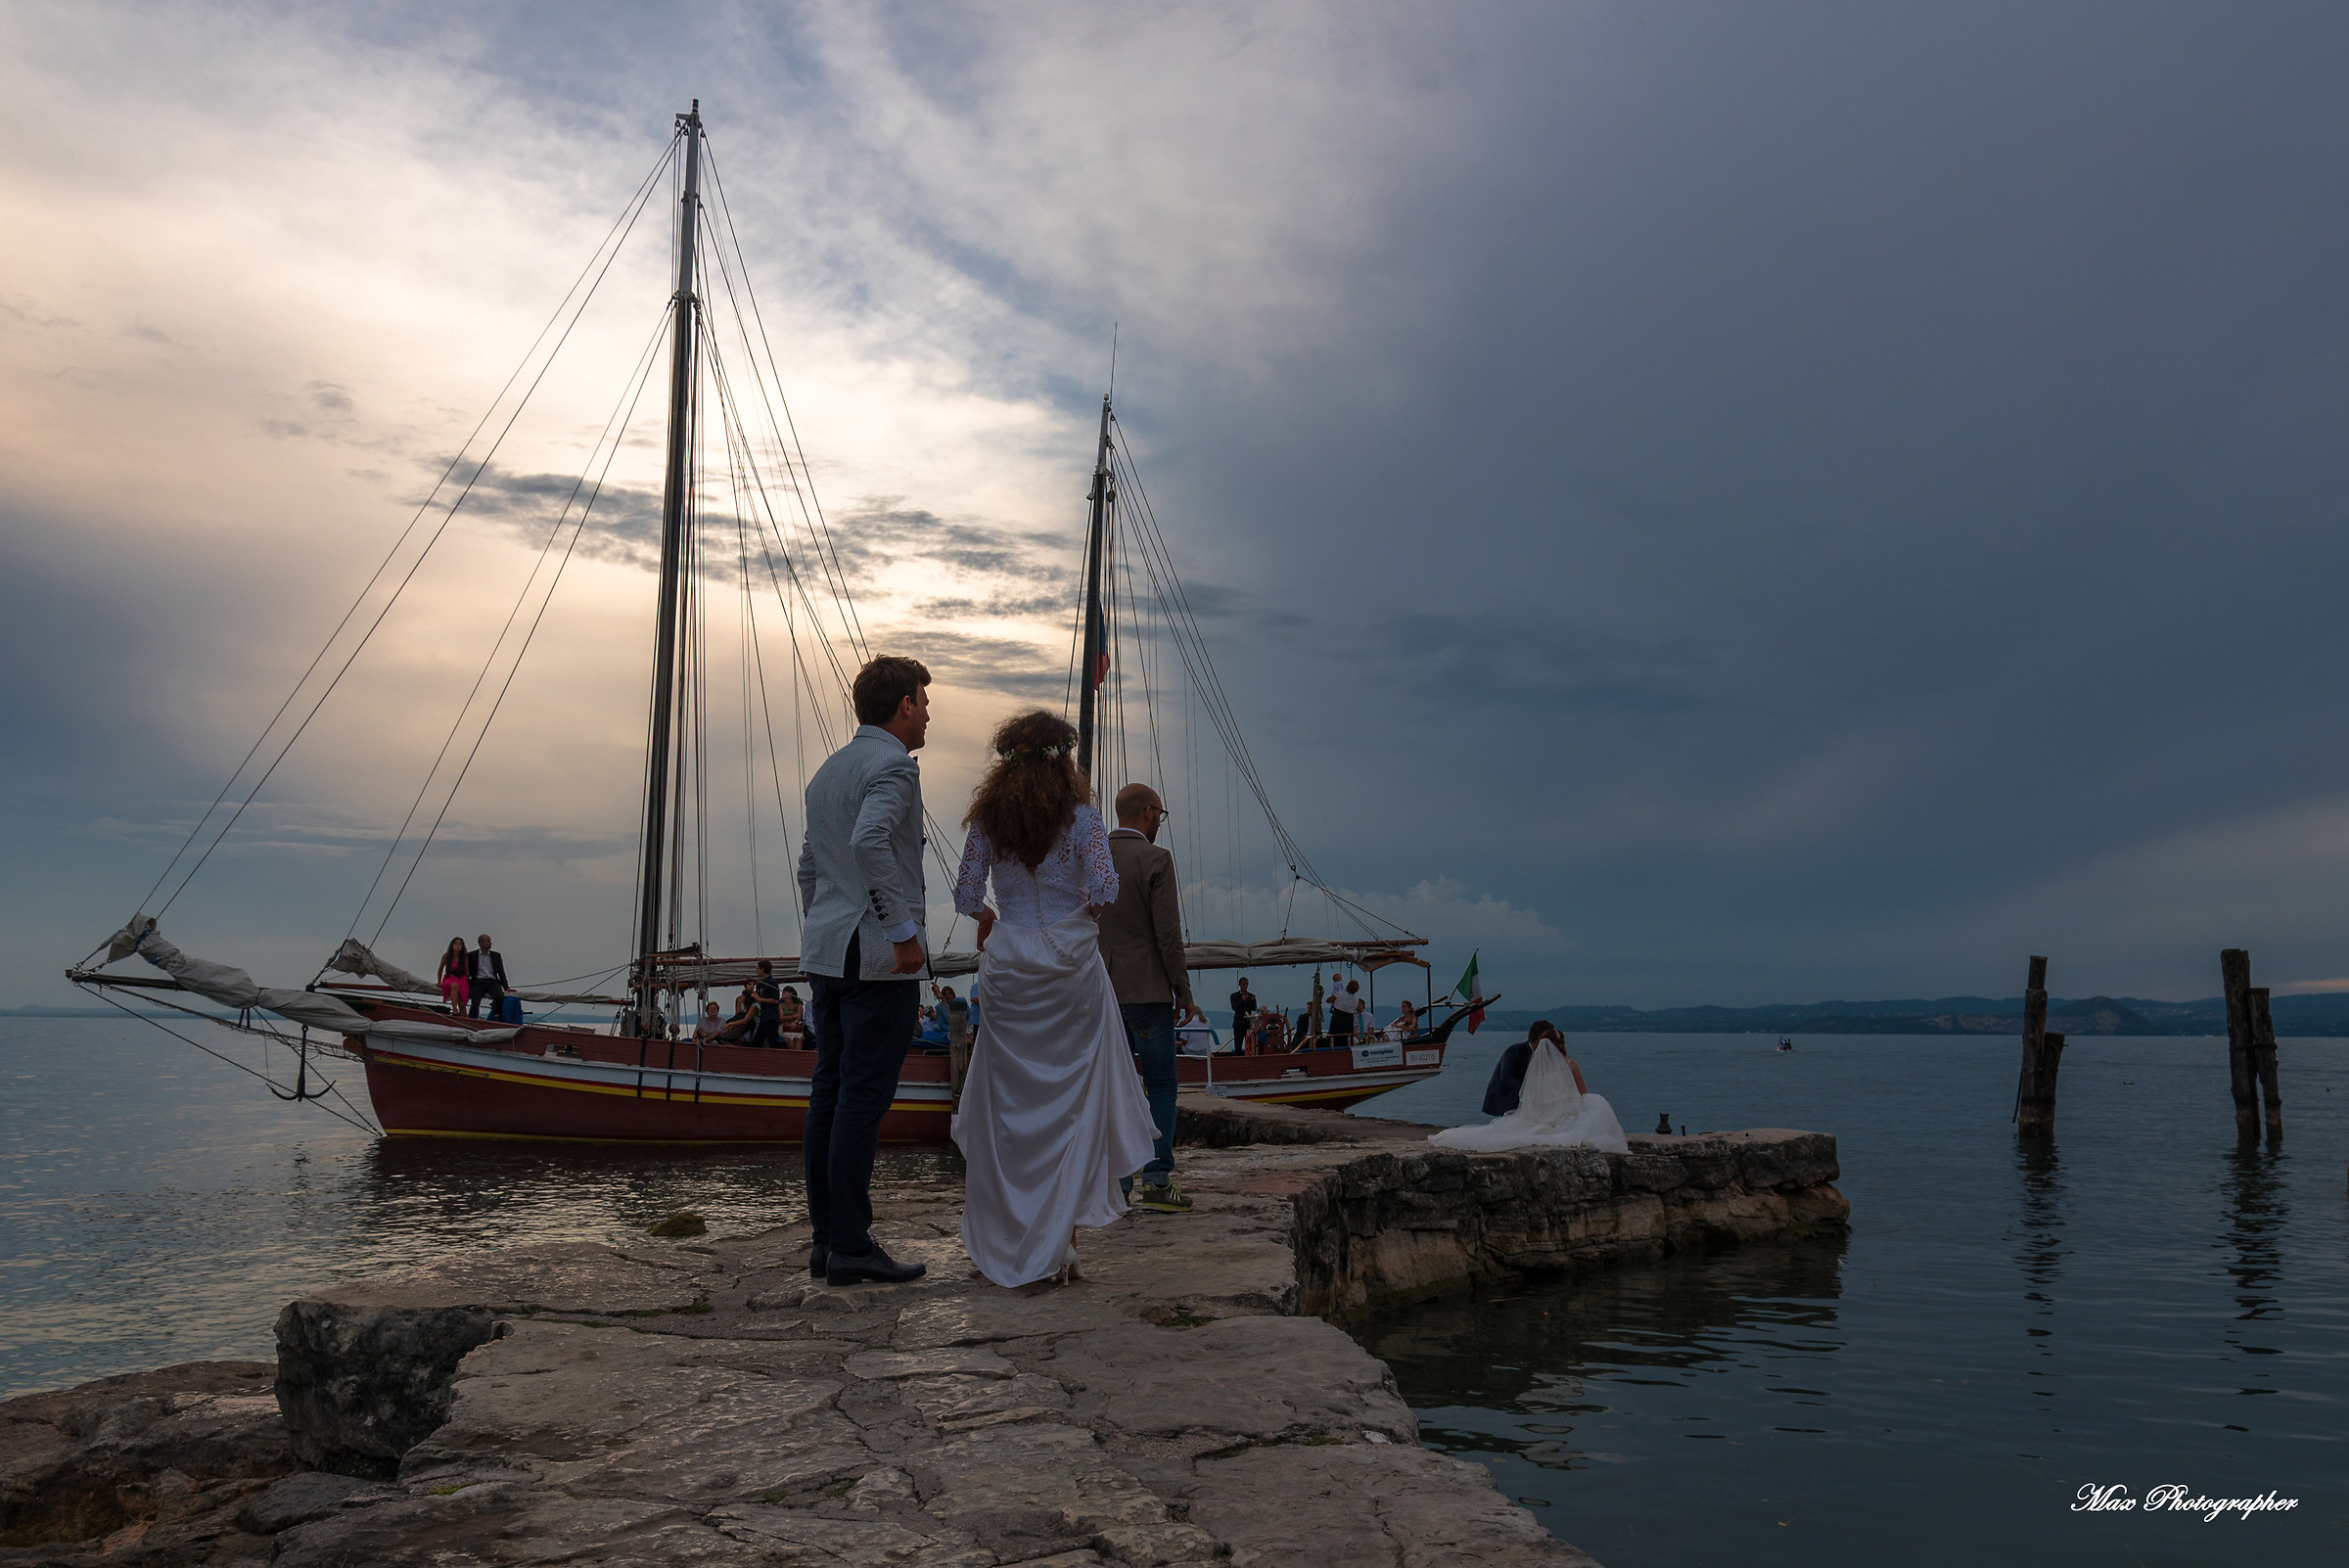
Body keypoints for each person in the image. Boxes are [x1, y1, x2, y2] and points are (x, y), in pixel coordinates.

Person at [950, 710, 1158, 1286]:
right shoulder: (1083, 818)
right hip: (1069, 965)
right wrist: (1079, 918)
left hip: (1010, 964)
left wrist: (991, 919)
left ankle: (1005, 1233)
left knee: (1010, 1106)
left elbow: (966, 893)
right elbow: (1106, 888)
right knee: (1071, 1105)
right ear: (1062, 762)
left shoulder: (988, 821)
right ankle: (1063, 1242)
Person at [797, 655, 934, 1288]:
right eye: (924, 703)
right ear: (904, 704)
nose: (928, 715)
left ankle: (827, 1240)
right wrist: (901, 933)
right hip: (877, 956)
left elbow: (810, 866)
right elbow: (869, 842)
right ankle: (851, 1245)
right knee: (861, 1098)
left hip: (829, 952)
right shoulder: (894, 768)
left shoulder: (827, 773)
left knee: (829, 1093)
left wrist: (825, 924)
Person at [1098, 781, 1198, 1211]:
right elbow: (1168, 935)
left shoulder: (1095, 856)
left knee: (1115, 1088)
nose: (1159, 820)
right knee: (1160, 1085)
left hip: (1102, 990)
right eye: (1160, 813)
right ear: (1148, 813)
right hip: (1148, 990)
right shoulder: (1157, 859)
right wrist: (1184, 992)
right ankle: (1156, 1181)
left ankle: (1118, 1185)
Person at [1433, 1022, 1628, 1153]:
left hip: (1539, 1107)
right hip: (1510, 1100)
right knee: (1597, 1104)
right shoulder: (1525, 1053)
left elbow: (1537, 1089)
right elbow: (1582, 1092)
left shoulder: (1537, 1065)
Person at [466, 934, 508, 1019]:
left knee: (500, 996)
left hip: (492, 981)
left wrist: (506, 987)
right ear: (480, 943)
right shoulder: (472, 955)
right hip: (477, 981)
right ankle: (472, 1019)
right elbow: (467, 971)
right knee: (475, 1001)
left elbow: (501, 972)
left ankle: (496, 1016)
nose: (490, 943)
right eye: (488, 941)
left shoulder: (496, 956)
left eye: (490, 941)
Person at [747, 960, 783, 1048]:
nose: (756, 971)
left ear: (762, 969)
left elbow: (775, 1000)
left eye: (757, 969)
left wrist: (758, 998)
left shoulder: (772, 982)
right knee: (757, 1042)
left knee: (773, 1043)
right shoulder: (764, 983)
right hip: (765, 1017)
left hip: (770, 1018)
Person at [436, 937, 470, 1015]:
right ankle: (455, 1010)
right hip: (449, 977)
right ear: (452, 945)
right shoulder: (446, 956)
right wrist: (439, 981)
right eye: (456, 944)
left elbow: (467, 971)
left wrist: (468, 982)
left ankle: (464, 1018)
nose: (458, 946)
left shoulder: (464, 957)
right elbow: (440, 969)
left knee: (462, 1003)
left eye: (460, 944)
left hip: (461, 978)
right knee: (454, 985)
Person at [1229, 977, 1256, 1047]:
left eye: (1246, 984)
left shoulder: (1250, 995)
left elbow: (1254, 1008)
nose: (1245, 986)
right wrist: (1242, 1001)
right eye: (1243, 984)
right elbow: (1234, 1008)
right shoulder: (1234, 996)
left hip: (1248, 1024)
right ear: (1239, 984)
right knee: (1238, 1044)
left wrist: (1253, 1000)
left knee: (1250, 1045)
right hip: (1239, 1024)